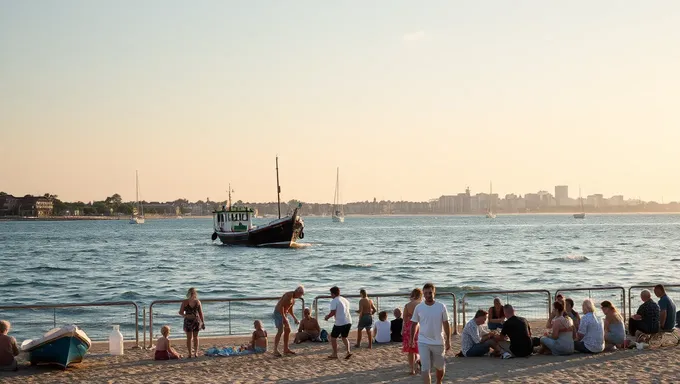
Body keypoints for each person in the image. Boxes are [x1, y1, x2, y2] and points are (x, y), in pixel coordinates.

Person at [409, 283, 450, 384]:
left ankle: (439, 382)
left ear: (434, 293)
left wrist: (448, 339)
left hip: (438, 342)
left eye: (430, 293)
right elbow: (414, 324)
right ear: (423, 294)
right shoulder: (419, 307)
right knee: (425, 368)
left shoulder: (441, 307)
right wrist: (411, 339)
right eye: (426, 293)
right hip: (423, 342)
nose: (428, 295)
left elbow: (446, 323)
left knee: (440, 367)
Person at [272, 285, 304, 357]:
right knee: (280, 331)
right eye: (300, 294)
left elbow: (289, 309)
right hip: (279, 313)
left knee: (288, 330)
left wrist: (294, 318)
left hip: (284, 314)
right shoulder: (288, 295)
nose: (300, 296)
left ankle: (286, 349)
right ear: (297, 292)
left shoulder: (293, 299)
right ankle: (275, 350)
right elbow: (281, 307)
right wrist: (284, 318)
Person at [324, 286, 352, 359]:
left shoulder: (334, 301)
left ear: (333, 294)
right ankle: (348, 351)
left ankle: (335, 354)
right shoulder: (344, 299)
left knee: (333, 338)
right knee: (344, 337)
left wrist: (327, 317)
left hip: (340, 322)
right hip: (348, 321)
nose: (330, 295)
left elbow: (333, 312)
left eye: (331, 294)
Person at [178, 287, 205, 358]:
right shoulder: (185, 302)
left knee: (196, 337)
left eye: (193, 293)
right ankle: (190, 353)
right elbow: (180, 312)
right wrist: (186, 315)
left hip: (196, 321)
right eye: (191, 293)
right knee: (189, 338)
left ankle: (196, 352)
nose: (193, 294)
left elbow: (201, 313)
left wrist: (203, 322)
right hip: (188, 321)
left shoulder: (198, 302)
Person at [402, 288, 423, 375]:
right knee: (419, 348)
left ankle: (412, 369)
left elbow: (404, 318)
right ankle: (419, 363)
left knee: (411, 349)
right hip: (419, 326)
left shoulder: (407, 305)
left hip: (409, 327)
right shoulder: (421, 304)